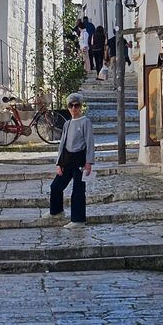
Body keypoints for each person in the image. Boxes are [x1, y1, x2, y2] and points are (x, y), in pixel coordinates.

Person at [44, 94, 95, 228]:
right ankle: (56, 211)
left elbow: (90, 143)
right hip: (67, 160)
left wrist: (88, 163)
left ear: (80, 106)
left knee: (78, 191)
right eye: (70, 106)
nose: (73, 108)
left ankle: (78, 220)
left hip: (80, 160)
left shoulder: (86, 122)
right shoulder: (67, 123)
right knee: (55, 186)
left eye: (76, 105)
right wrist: (58, 163)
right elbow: (62, 144)